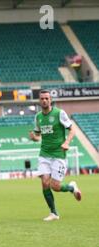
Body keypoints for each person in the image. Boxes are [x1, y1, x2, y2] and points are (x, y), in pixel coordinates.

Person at [29, 90, 82, 221]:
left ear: (50, 100)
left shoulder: (59, 113)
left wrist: (67, 142)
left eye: (47, 98)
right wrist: (33, 138)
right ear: (39, 101)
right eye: (42, 99)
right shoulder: (38, 117)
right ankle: (53, 213)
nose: (44, 100)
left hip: (58, 154)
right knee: (45, 183)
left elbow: (72, 129)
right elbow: (37, 136)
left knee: (55, 186)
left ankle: (71, 187)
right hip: (44, 154)